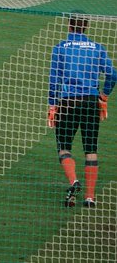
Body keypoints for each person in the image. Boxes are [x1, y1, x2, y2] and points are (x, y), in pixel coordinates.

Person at [48, 14, 116, 208]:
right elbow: (113, 75)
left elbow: (54, 80)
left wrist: (52, 105)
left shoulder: (60, 48)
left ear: (69, 26)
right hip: (90, 102)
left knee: (64, 147)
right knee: (91, 150)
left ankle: (74, 182)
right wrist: (103, 97)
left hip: (68, 102)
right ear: (86, 27)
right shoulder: (97, 48)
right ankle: (89, 198)